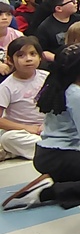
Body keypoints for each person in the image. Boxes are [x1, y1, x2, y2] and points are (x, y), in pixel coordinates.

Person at [6, 43, 80, 210]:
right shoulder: (77, 94)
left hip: (44, 152)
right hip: (61, 155)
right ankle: (49, 192)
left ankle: (56, 179)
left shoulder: (56, 83)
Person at [0, 36, 47, 165]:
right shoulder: (7, 87)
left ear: (40, 57)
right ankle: (48, 150)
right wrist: (27, 128)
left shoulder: (47, 77)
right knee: (7, 138)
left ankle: (16, 151)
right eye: (21, 55)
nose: (28, 59)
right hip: (22, 131)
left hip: (48, 127)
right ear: (10, 60)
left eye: (33, 54)